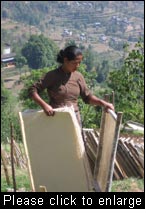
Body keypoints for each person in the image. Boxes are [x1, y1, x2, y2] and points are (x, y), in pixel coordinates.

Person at [28, 45, 114, 127]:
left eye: (79, 63)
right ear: (65, 60)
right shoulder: (52, 76)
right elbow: (32, 90)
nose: (77, 66)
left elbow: (87, 97)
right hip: (56, 118)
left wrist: (103, 103)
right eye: (74, 63)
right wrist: (44, 105)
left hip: (74, 118)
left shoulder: (78, 76)